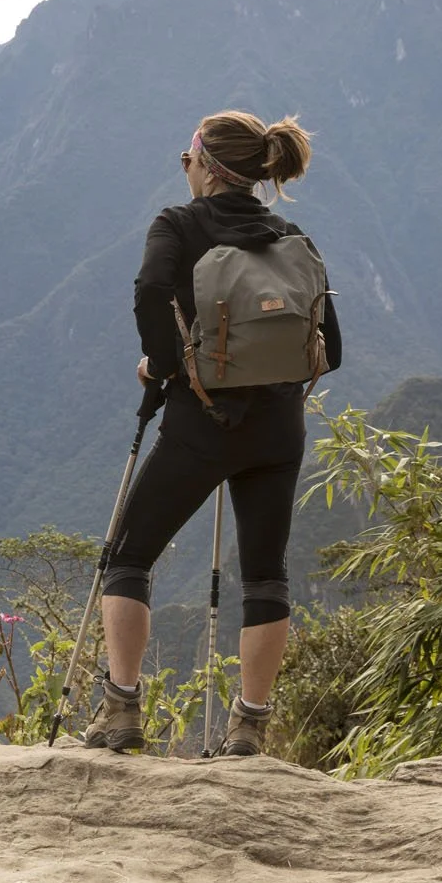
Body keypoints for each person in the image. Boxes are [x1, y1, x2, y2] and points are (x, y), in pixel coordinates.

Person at [86, 109, 340, 756]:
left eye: (188, 157)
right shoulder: (291, 236)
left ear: (205, 166)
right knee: (266, 577)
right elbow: (330, 347)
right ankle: (250, 726)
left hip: (201, 424)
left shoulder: (178, 225)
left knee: (130, 558)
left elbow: (149, 291)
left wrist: (164, 363)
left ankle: (121, 712)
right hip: (279, 429)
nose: (185, 166)